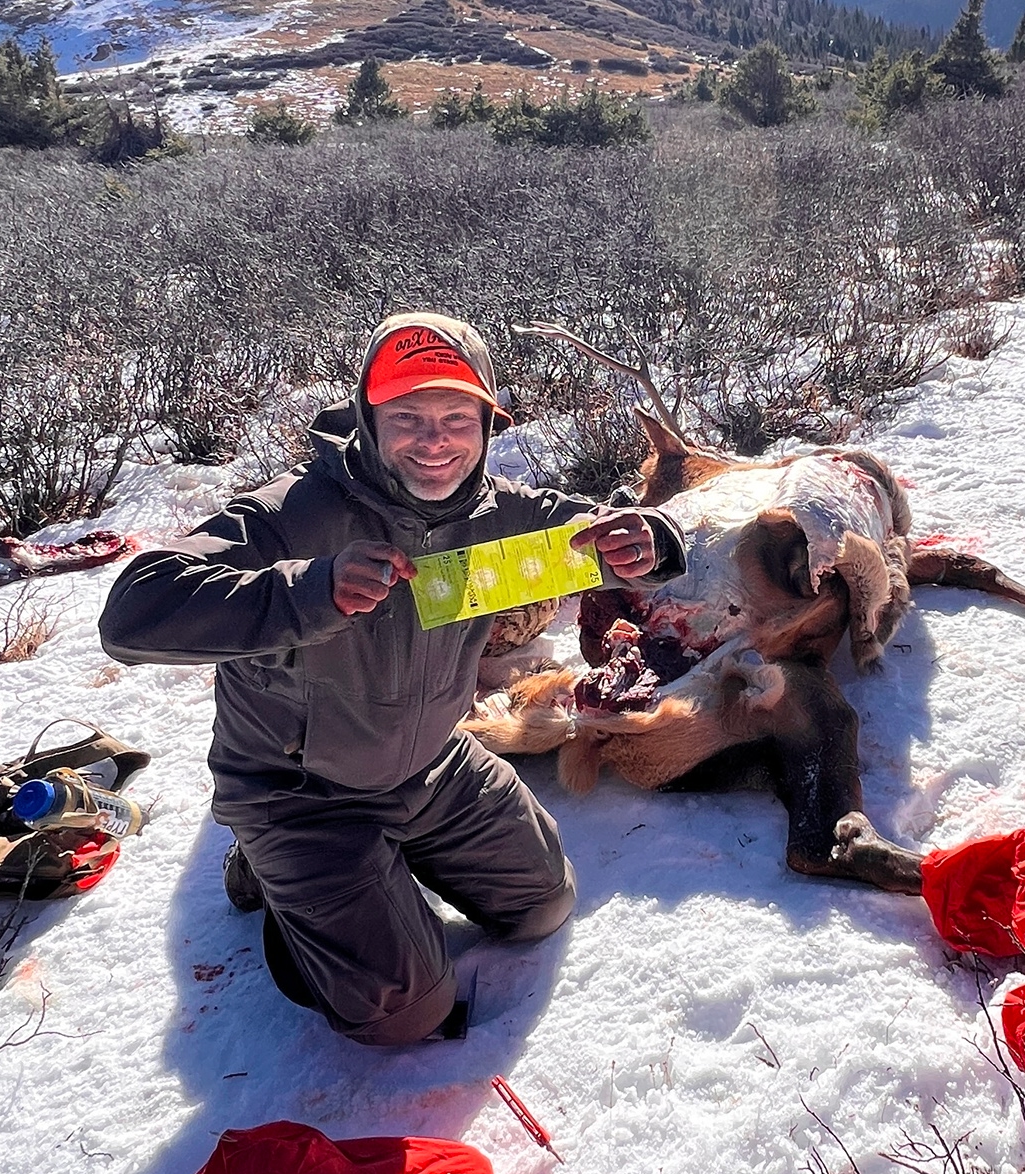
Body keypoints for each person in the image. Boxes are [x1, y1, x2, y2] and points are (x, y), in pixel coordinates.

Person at [99, 313, 685, 1045]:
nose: (434, 440)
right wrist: (308, 591)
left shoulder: (495, 513)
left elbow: (610, 533)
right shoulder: (293, 512)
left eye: (455, 417)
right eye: (407, 417)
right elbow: (133, 612)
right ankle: (272, 874)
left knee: (543, 908)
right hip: (298, 793)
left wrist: (651, 538)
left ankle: (374, 876)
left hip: (432, 762)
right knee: (404, 1015)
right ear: (368, 419)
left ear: (487, 422)